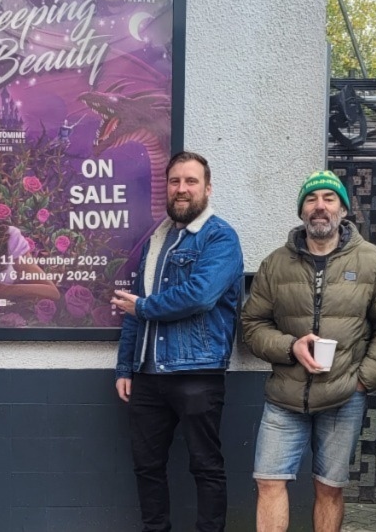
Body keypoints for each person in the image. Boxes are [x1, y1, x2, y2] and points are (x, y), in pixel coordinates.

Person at [242, 170, 376, 532]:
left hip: (344, 397)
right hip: (284, 396)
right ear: (301, 210)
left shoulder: (372, 262)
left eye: (329, 199)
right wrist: (290, 346)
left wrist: (362, 381)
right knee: (269, 481)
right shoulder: (275, 263)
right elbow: (251, 326)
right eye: (311, 199)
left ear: (343, 210)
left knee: (328, 489)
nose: (320, 206)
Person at [112, 151, 244, 532]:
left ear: (207, 188)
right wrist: (125, 366)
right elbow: (134, 308)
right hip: (147, 375)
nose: (181, 189)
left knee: (205, 465)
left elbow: (200, 295)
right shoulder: (157, 237)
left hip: (197, 372)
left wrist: (144, 307)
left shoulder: (221, 237)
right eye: (175, 182)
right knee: (147, 466)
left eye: (190, 181)